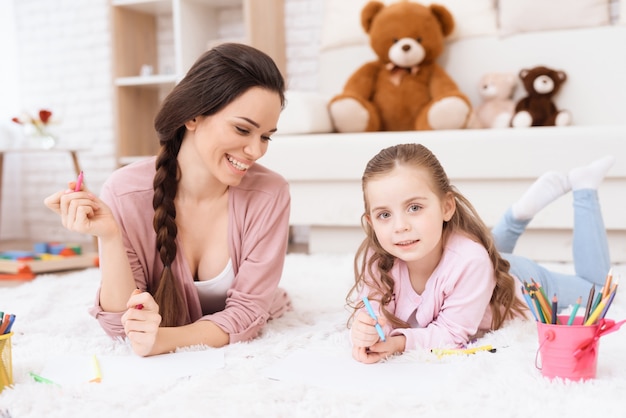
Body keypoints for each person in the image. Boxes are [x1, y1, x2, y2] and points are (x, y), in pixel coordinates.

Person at [44, 43, 292, 357]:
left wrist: (164, 340)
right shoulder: (125, 192)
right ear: (193, 117)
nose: (256, 151)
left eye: (266, 136)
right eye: (243, 129)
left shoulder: (269, 194)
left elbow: (247, 315)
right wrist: (109, 237)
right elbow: (122, 327)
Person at [347, 142, 614, 364]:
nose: (400, 226)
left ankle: (584, 188)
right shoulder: (379, 257)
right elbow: (373, 310)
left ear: (447, 207)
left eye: (414, 208)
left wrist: (398, 343)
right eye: (384, 214)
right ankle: (517, 215)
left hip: (517, 279)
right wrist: (366, 330)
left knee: (598, 288)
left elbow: (452, 333)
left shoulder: (470, 260)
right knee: (481, 253)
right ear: (370, 222)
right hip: (472, 264)